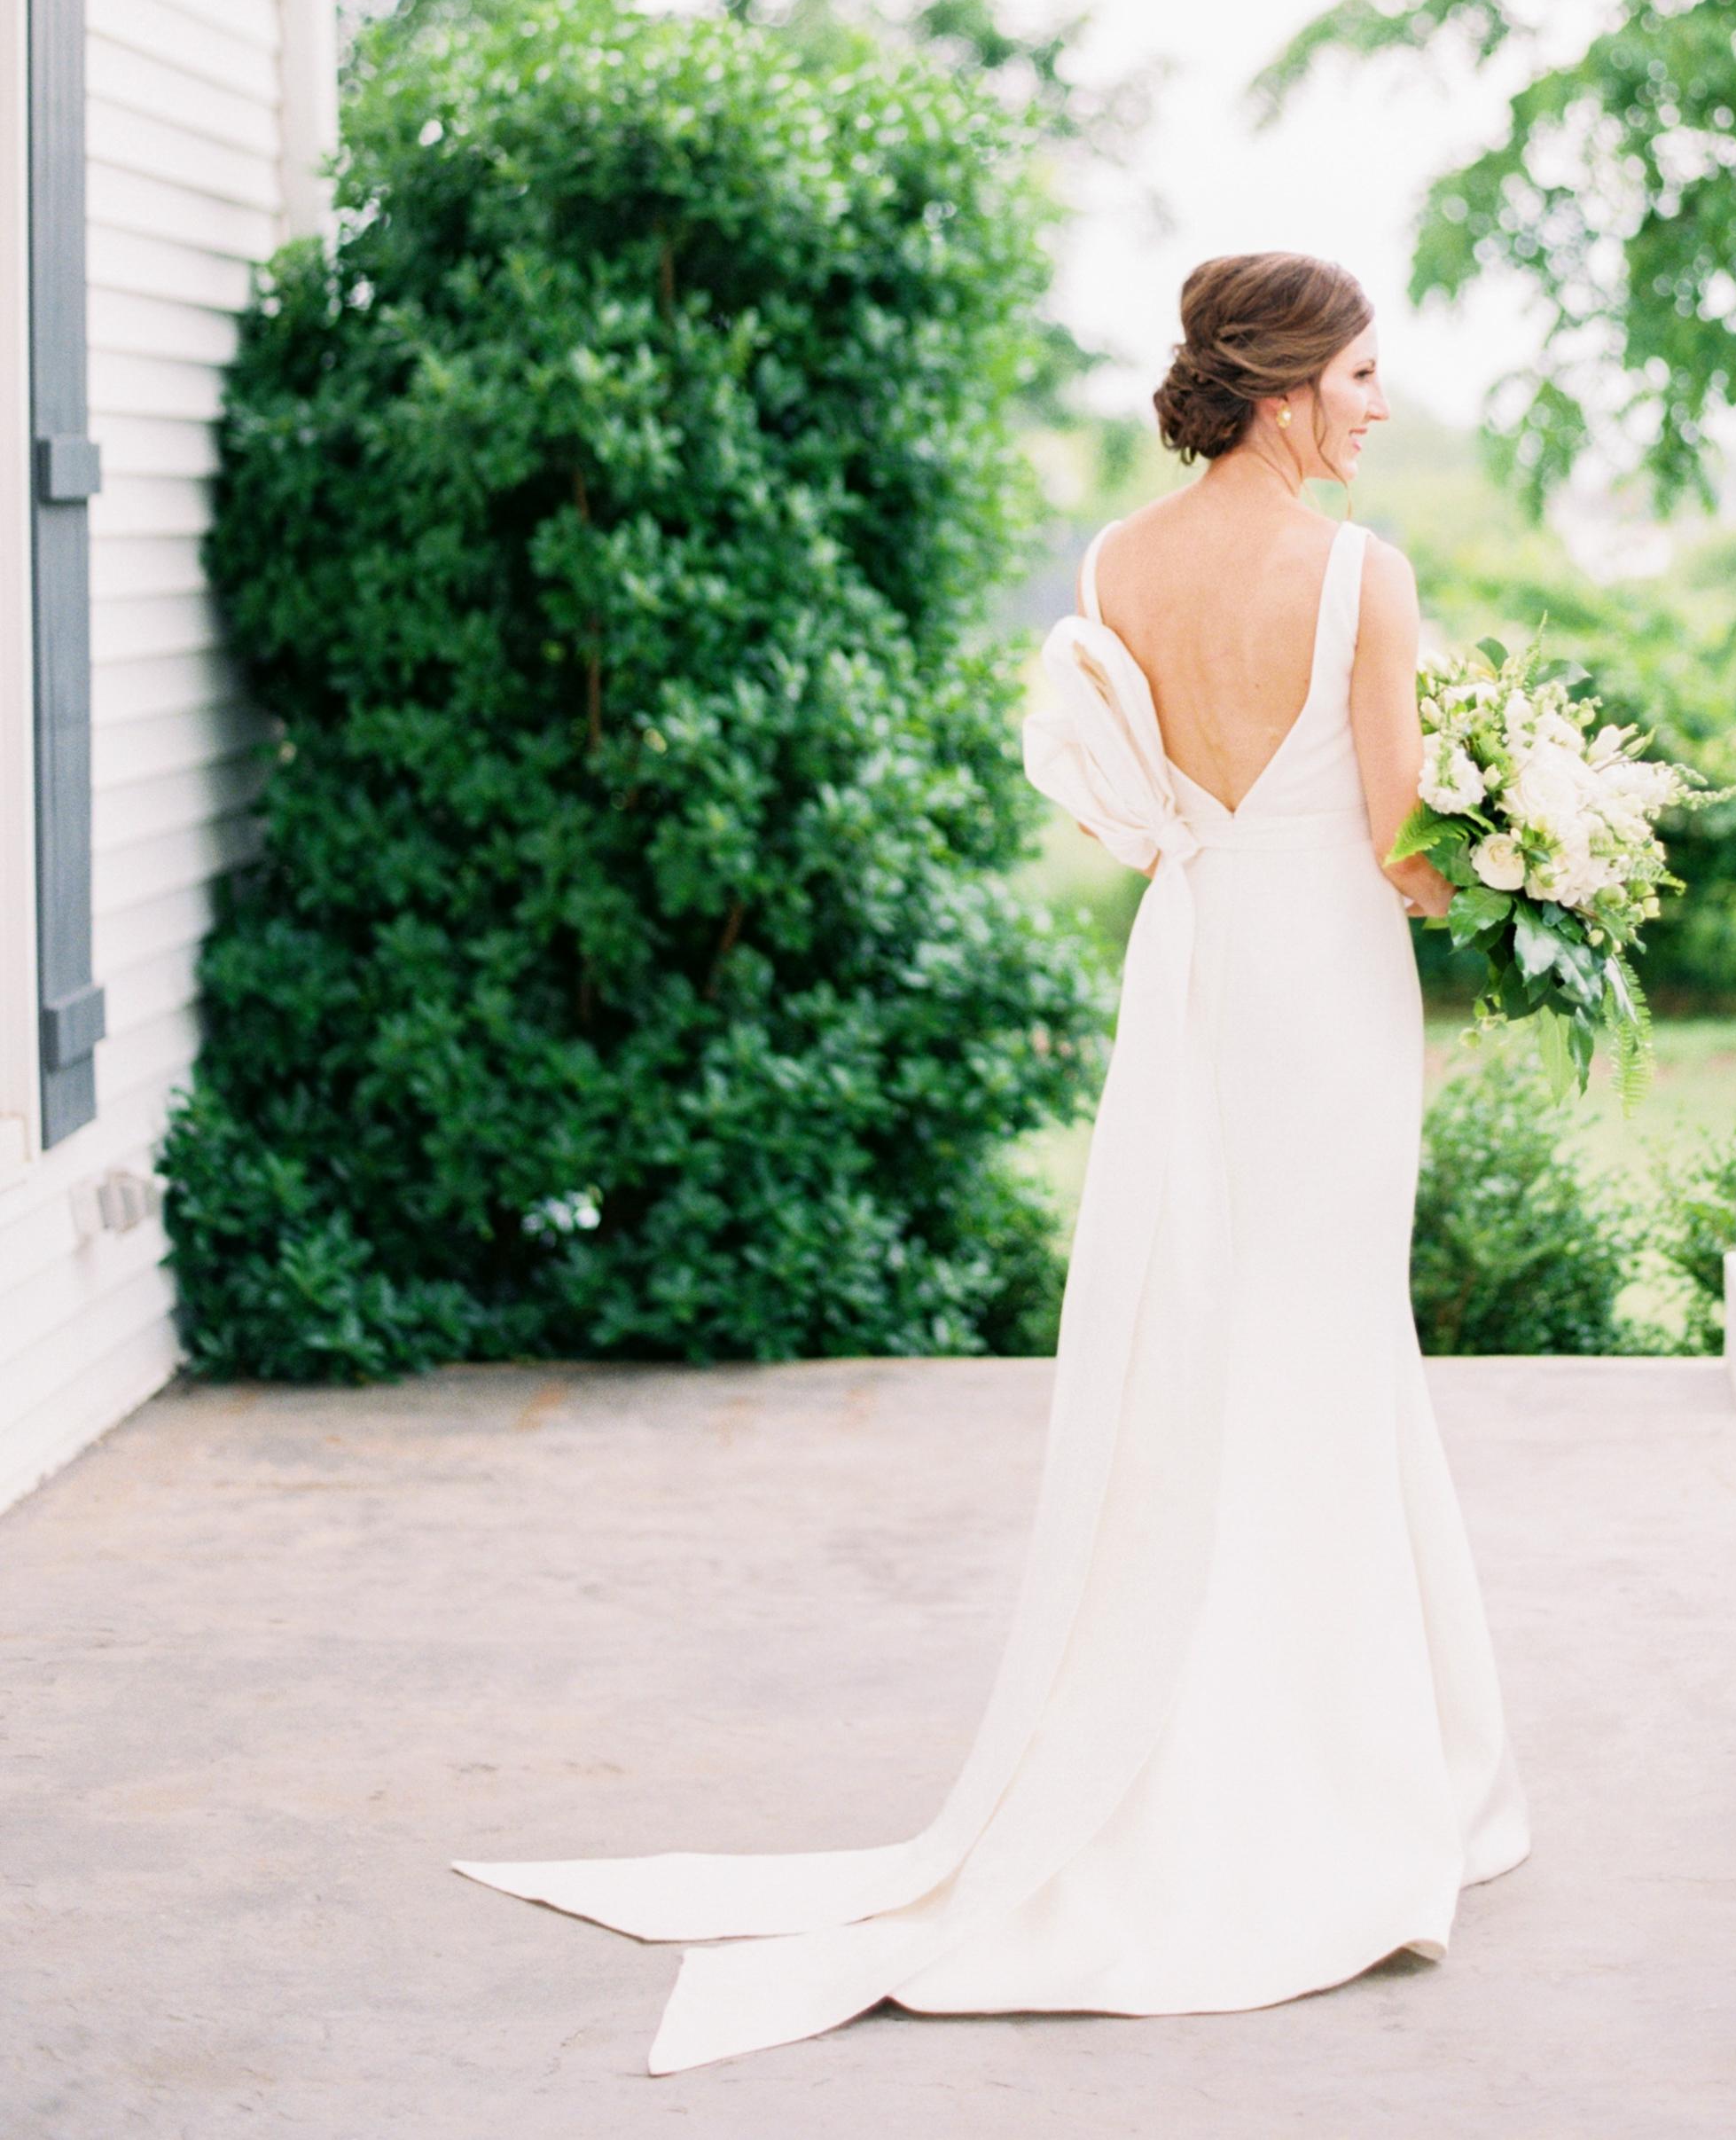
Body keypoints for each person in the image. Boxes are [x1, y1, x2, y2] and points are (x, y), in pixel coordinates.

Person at [457, 250, 1529, 2071]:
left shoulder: (1115, 566)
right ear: (1284, 387)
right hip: (1326, 995)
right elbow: (1402, 845)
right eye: (1359, 374)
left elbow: (1144, 813)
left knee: (1211, 1339)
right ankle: (1330, 1774)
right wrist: (1537, 860)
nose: (1377, 403)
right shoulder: (1364, 575)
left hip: (1197, 980)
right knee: (1328, 1340)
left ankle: (1228, 1728)